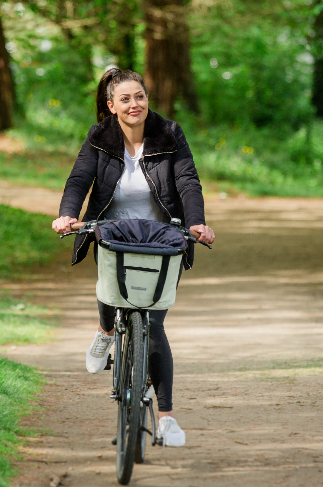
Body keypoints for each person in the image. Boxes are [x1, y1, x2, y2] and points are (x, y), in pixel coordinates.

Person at [52, 68, 215, 447]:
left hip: (162, 237)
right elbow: (79, 180)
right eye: (124, 99)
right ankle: (106, 331)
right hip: (114, 232)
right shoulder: (99, 136)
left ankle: (167, 418)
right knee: (110, 290)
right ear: (111, 106)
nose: (134, 104)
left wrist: (196, 223)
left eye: (139, 96)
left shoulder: (169, 134)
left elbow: (188, 181)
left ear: (147, 98)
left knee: (154, 324)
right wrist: (68, 214)